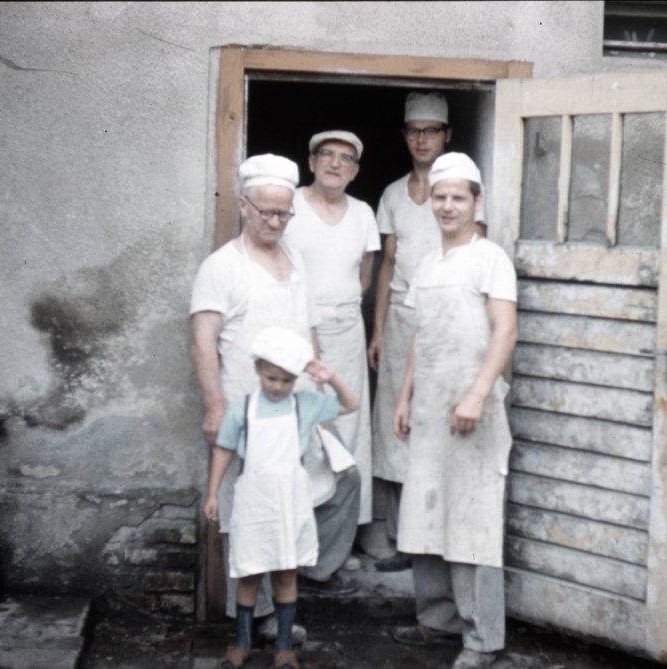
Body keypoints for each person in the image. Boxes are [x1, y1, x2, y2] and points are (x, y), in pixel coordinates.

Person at [190, 153, 359, 640]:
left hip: (297, 404)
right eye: (265, 211)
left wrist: (320, 387)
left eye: (284, 213)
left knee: (333, 483)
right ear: (243, 206)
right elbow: (204, 341)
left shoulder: (295, 260)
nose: (275, 221)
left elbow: (308, 328)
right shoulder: (221, 267)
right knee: (247, 509)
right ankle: (259, 614)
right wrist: (215, 405)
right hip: (247, 407)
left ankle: (301, 574)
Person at [391, 153, 517, 669]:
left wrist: (478, 394)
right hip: (430, 407)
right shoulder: (427, 263)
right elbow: (422, 336)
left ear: (476, 202)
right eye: (440, 197)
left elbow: (505, 332)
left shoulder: (490, 258)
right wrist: (404, 397)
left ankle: (482, 638)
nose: (447, 206)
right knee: (424, 511)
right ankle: (436, 619)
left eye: (458, 197)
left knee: (472, 520)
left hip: (473, 409)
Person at [366, 92, 485, 571]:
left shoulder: (459, 195)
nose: (422, 139)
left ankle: (432, 538)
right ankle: (398, 536)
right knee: (395, 423)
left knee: (435, 422)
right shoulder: (394, 194)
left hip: (446, 318)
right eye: (414, 130)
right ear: (404, 137)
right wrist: (376, 330)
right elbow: (388, 263)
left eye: (431, 130)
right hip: (399, 319)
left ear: (447, 135)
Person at [204, 326, 360, 669]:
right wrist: (213, 493)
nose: (277, 386)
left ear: (295, 380)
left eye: (286, 380)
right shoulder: (242, 409)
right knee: (249, 572)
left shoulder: (305, 406)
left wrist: (330, 376)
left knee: (286, 574)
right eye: (271, 378)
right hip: (254, 501)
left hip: (290, 501)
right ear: (259, 369)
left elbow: (352, 404)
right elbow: (224, 450)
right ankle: (242, 642)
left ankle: (285, 647)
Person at [283, 131, 380, 554]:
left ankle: (342, 543)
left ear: (356, 171)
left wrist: (342, 311)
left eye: (346, 159)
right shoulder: (291, 207)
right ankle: (300, 544)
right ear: (311, 161)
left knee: (351, 426)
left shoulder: (362, 213)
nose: (335, 164)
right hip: (299, 332)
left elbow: (366, 273)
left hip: (347, 328)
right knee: (308, 427)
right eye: (327, 155)